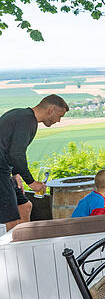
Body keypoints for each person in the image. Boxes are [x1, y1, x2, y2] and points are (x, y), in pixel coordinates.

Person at [0, 94, 68, 230]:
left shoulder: (21, 115)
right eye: (60, 115)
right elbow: (16, 153)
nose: (59, 120)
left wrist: (15, 173)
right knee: (11, 216)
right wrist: (31, 182)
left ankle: (26, 241)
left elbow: (8, 147)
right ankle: (12, 248)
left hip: (5, 169)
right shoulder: (27, 120)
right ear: (51, 109)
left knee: (25, 206)